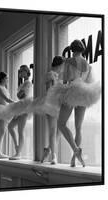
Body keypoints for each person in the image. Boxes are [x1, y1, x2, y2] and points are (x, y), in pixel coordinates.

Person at [57, 39, 95, 167]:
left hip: (72, 92)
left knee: (61, 124)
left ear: (72, 49)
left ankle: (75, 150)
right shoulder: (88, 65)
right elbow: (89, 83)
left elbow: (65, 80)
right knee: (79, 128)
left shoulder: (68, 61)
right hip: (84, 94)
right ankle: (74, 158)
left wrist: (61, 94)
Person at [41, 56, 65, 164]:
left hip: (59, 105)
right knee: (52, 130)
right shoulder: (50, 74)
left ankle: (48, 150)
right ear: (59, 65)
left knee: (59, 131)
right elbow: (49, 91)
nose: (62, 68)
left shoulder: (59, 77)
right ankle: (53, 156)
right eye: (62, 66)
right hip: (51, 104)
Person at [8, 65, 33, 160]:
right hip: (20, 107)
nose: (21, 73)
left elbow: (21, 95)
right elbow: (19, 95)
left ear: (27, 72)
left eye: (22, 71)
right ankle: (17, 147)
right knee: (10, 126)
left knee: (20, 130)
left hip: (25, 107)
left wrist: (19, 94)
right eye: (20, 71)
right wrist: (19, 94)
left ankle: (18, 153)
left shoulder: (28, 83)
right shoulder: (23, 83)